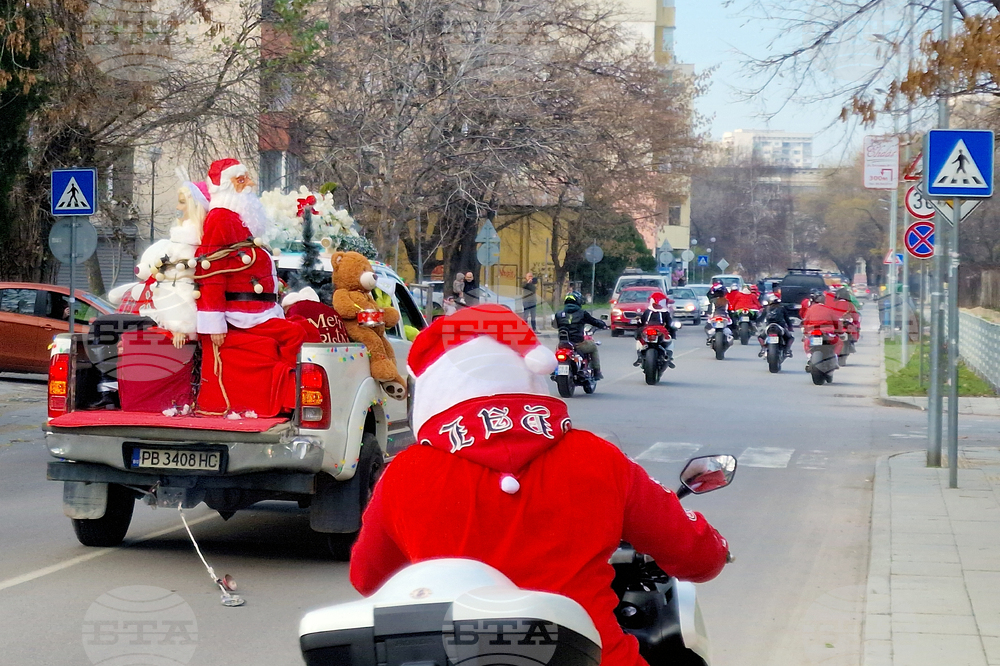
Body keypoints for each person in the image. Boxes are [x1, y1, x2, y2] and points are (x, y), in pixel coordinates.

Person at [349, 305, 730, 666]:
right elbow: (698, 556)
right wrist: (713, 545)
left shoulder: (406, 473)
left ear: (435, 390)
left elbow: (369, 579)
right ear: (531, 378)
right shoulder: (598, 458)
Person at [554, 291, 608, 380]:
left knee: (557, 351)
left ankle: (555, 370)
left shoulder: (559, 314)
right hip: (578, 344)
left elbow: (555, 325)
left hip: (563, 344)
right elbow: (594, 322)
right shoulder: (582, 313)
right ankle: (597, 371)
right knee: (593, 347)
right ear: (578, 301)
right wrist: (603, 324)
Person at [633, 291, 676, 368]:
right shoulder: (665, 313)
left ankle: (639, 356)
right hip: (659, 331)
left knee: (639, 339)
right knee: (670, 339)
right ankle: (668, 357)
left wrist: (638, 324)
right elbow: (669, 323)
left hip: (647, 329)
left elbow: (642, 322)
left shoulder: (648, 311)